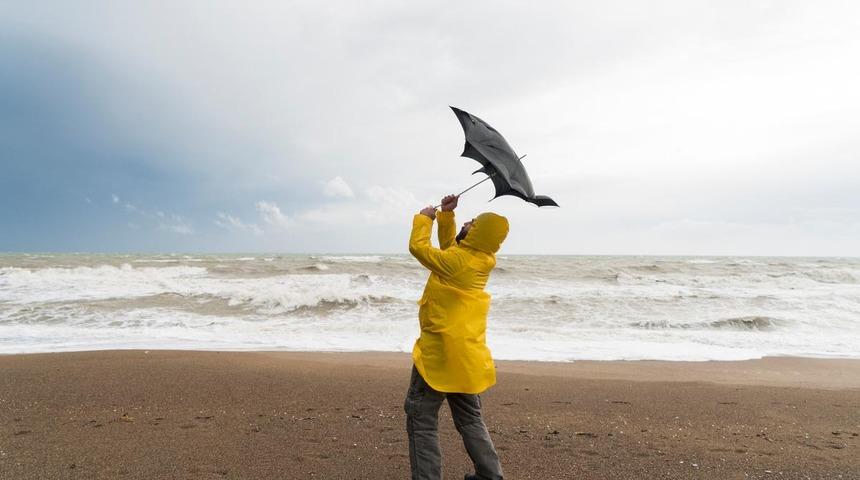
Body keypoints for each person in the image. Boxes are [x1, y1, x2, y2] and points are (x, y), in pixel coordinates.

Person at [405, 194, 509, 480]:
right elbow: (452, 250)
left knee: (421, 419)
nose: (467, 222)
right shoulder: (480, 258)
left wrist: (424, 219)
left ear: (476, 234)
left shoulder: (458, 263)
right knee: (470, 419)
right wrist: (447, 217)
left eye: (471, 223)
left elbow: (418, 248)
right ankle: (490, 475)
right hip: (467, 356)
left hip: (440, 354)